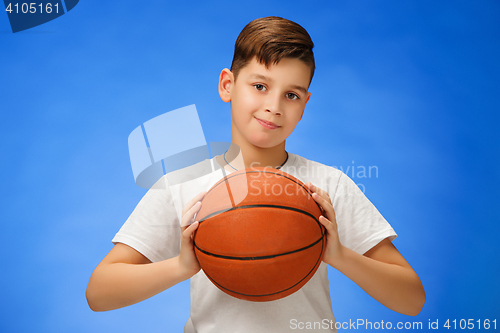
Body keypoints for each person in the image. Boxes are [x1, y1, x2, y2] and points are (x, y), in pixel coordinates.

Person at [86, 16, 425, 332]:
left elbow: (411, 300)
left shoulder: (328, 185)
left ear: (304, 104)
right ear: (227, 85)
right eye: (260, 86)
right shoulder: (181, 183)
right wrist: (181, 266)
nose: (274, 106)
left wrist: (339, 255)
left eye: (290, 95)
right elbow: (99, 293)